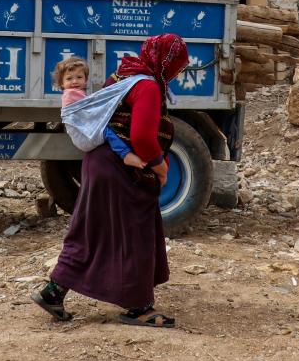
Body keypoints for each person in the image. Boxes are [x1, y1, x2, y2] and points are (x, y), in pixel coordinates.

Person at [33, 33, 188, 328]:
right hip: (121, 171)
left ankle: (53, 291)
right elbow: (142, 135)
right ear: (167, 62)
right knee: (135, 233)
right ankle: (138, 307)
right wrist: (159, 167)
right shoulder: (148, 86)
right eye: (178, 65)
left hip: (98, 163)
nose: (179, 72)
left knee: (92, 230)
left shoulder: (124, 75)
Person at [55, 56, 148, 170]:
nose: (74, 81)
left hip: (83, 136)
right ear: (62, 84)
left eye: (79, 77)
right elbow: (95, 104)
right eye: (69, 79)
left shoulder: (77, 93)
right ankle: (126, 154)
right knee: (108, 132)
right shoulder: (70, 94)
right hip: (84, 137)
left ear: (85, 80)